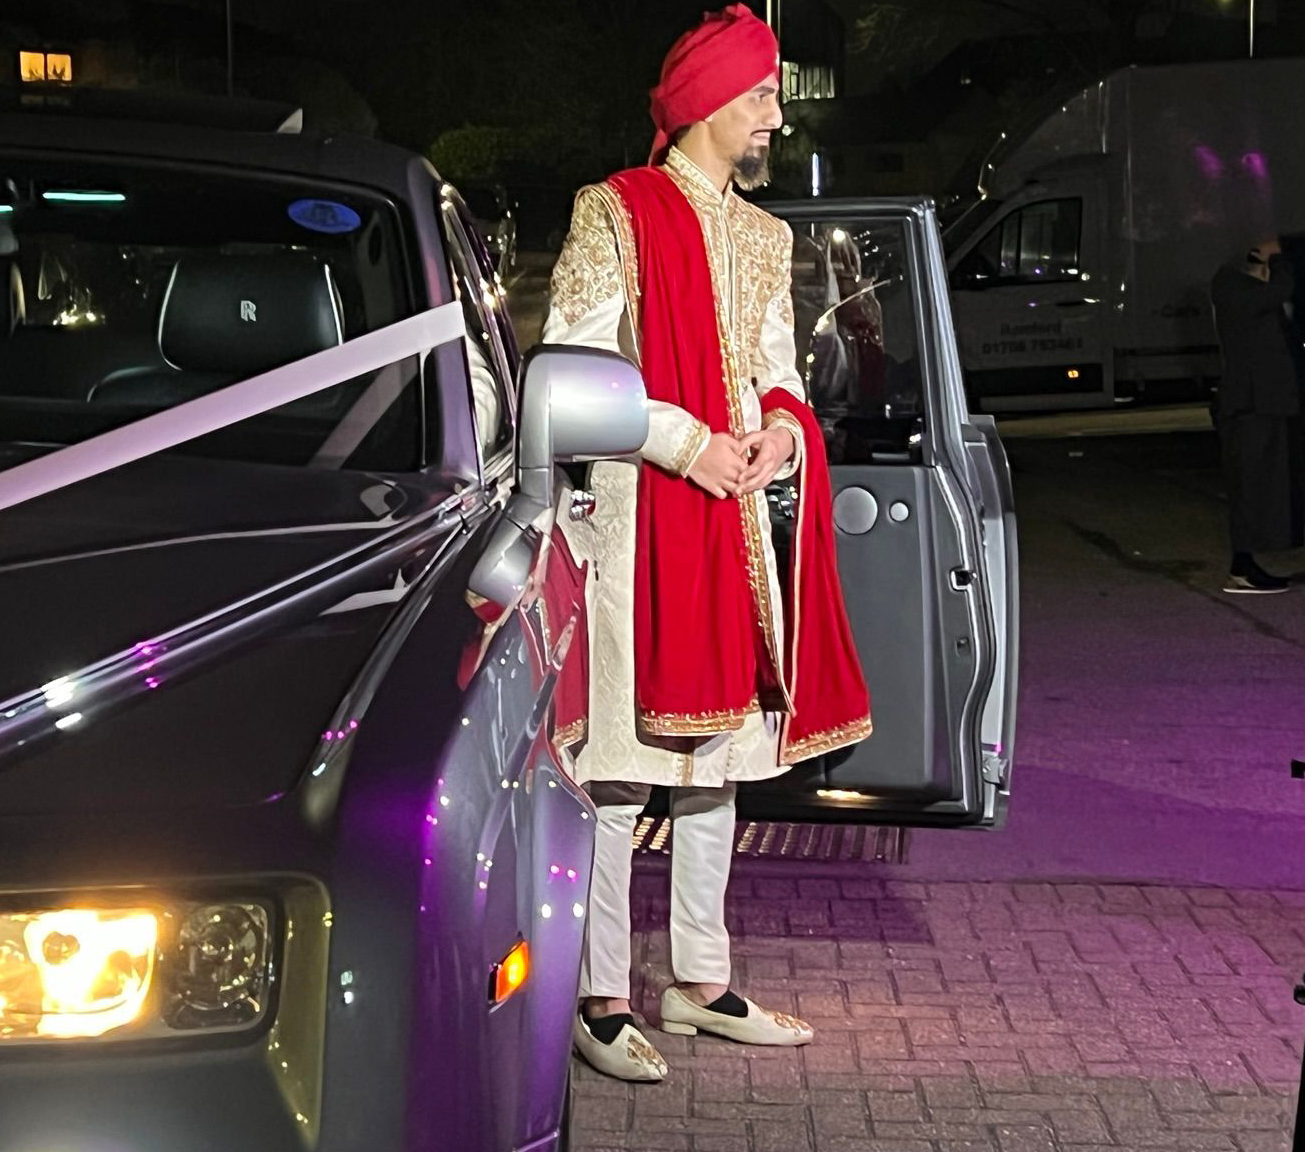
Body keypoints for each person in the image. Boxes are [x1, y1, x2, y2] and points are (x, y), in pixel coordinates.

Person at [542, 3, 874, 1083]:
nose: (775, 114)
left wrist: (781, 427)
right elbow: (570, 369)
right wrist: (687, 445)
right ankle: (597, 996)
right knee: (618, 775)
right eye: (763, 94)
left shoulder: (765, 237)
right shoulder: (612, 212)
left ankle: (694, 982)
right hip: (640, 519)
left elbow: (774, 365)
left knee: (719, 766)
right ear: (708, 104)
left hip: (733, 529)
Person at [1210, 237, 1305, 593]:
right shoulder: (1232, 286)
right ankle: (1243, 566)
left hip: (1264, 402)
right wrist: (1277, 260)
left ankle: (1250, 562)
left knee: (1264, 486)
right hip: (1250, 404)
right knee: (1250, 487)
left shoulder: (1250, 294)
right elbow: (1280, 289)